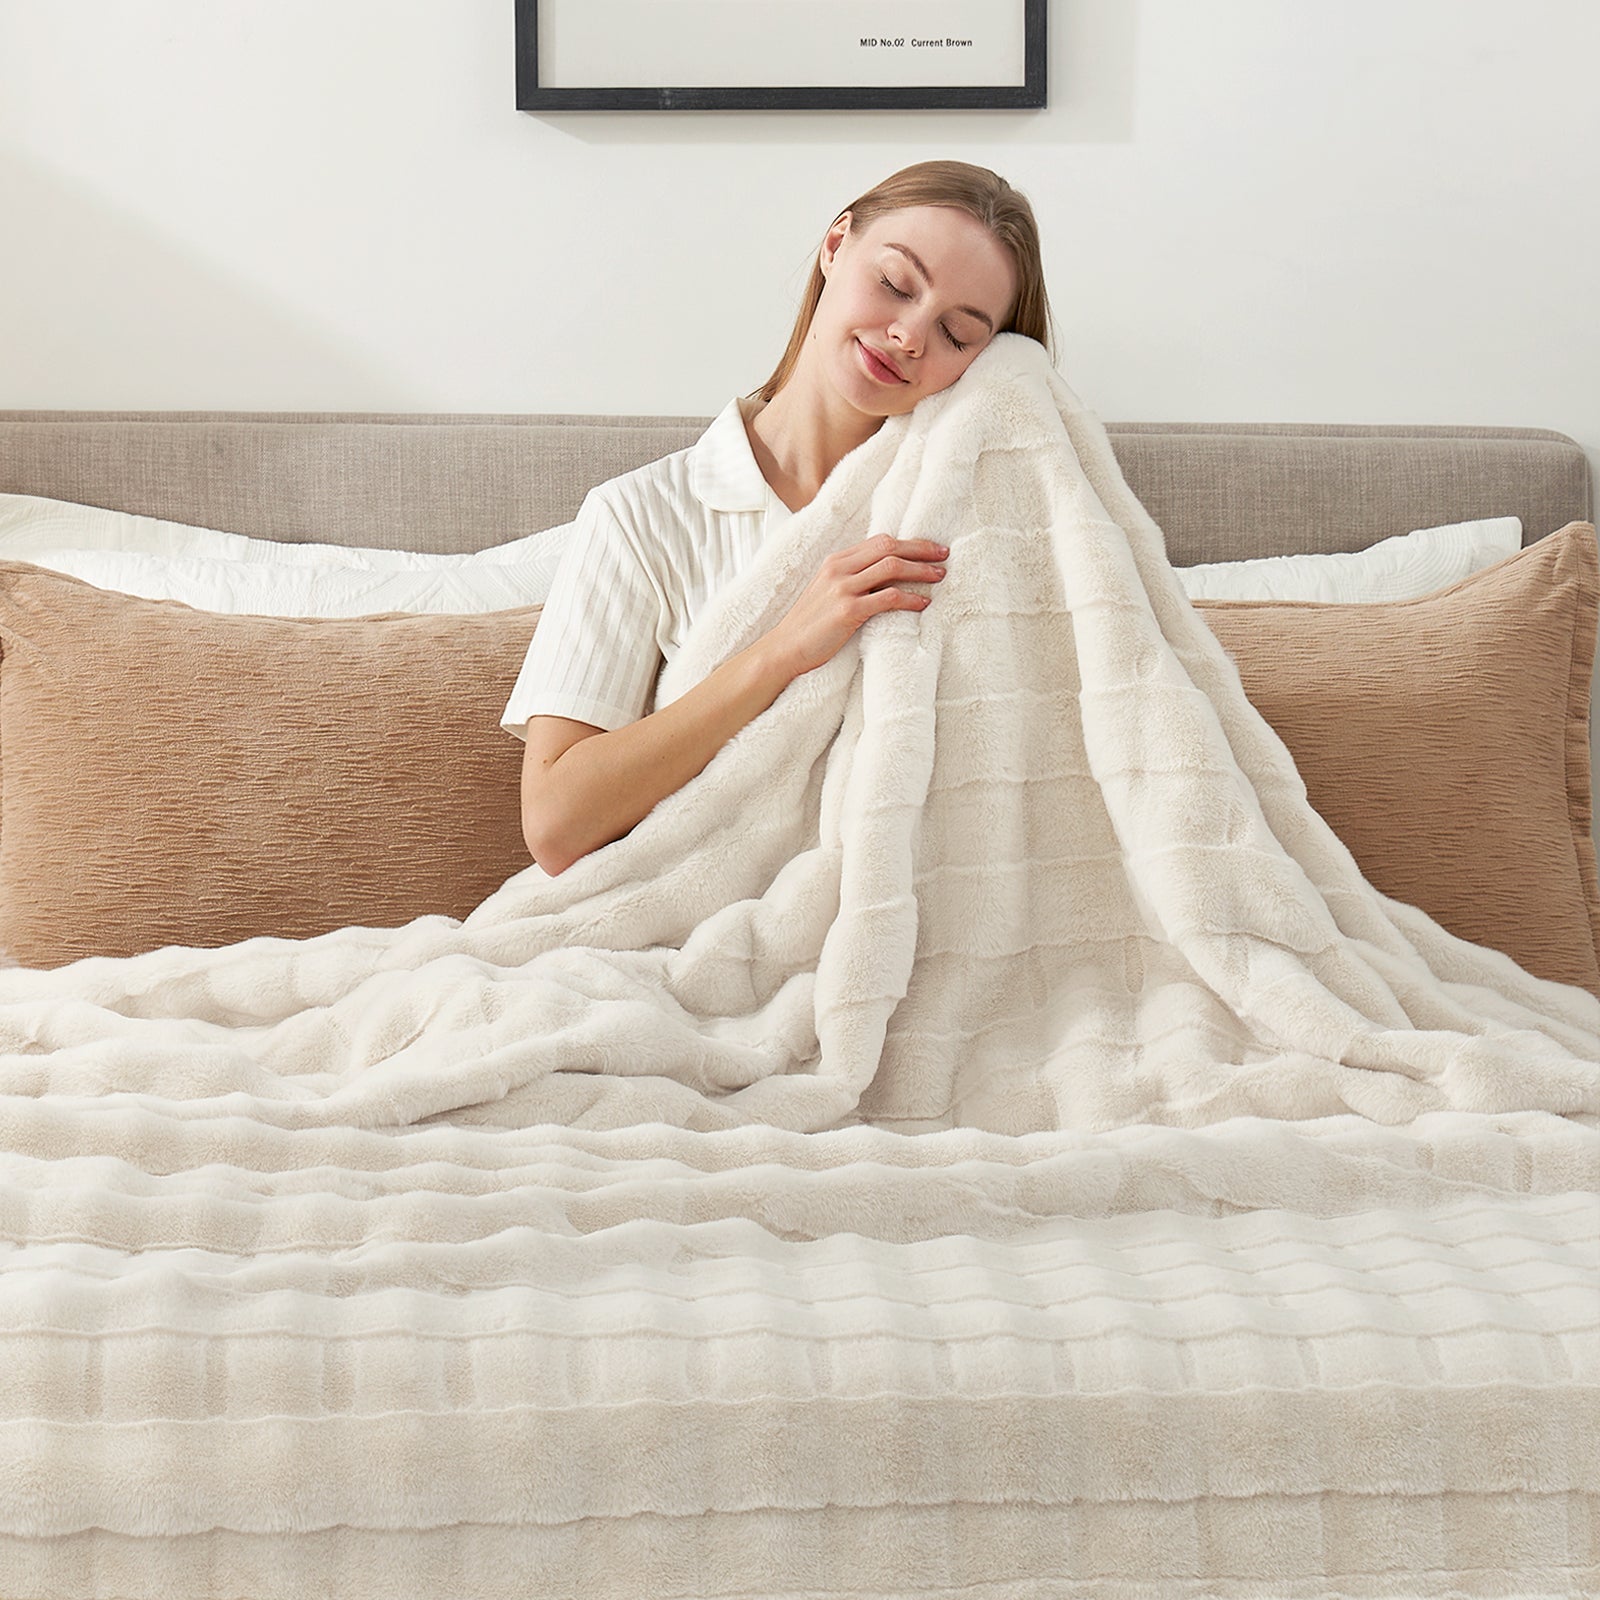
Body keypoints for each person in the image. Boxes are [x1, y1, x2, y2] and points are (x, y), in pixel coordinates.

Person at [501, 159, 1055, 876]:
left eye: (956, 333)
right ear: (836, 246)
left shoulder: (975, 530)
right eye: (895, 284)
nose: (910, 335)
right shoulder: (643, 517)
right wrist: (784, 648)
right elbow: (555, 823)